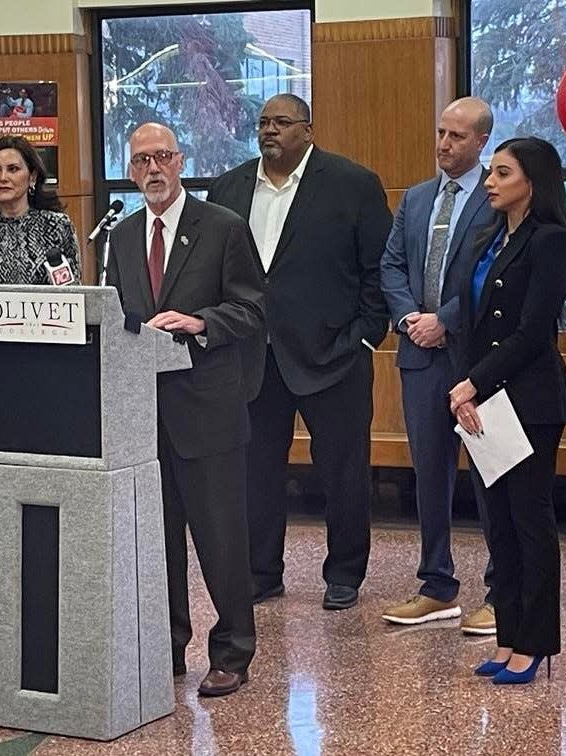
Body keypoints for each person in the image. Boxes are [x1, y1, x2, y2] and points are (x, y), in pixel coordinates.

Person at [207, 93, 391, 611]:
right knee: (255, 471)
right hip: (252, 355)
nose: (270, 131)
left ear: (307, 130)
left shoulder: (352, 184)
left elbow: (377, 268)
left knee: (343, 468)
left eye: (282, 122)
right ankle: (261, 572)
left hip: (333, 352)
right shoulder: (229, 186)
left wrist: (364, 335)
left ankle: (344, 573)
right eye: (264, 122)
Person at [106, 122, 264, 697]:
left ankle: (232, 652)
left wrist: (200, 323)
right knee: (157, 540)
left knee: (221, 538)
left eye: (163, 156)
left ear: (181, 162)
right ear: (130, 169)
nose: (153, 168)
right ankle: (167, 647)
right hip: (143, 416)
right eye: (142, 159)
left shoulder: (222, 228)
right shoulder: (120, 237)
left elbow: (252, 310)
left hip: (209, 410)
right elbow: (117, 313)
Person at [448, 136, 566, 685]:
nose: (490, 183)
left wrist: (472, 382)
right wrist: (470, 388)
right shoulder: (488, 238)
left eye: (502, 173)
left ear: (532, 180)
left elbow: (529, 334)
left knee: (529, 521)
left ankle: (535, 643)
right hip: (483, 401)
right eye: (491, 173)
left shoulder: (551, 243)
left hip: (529, 400)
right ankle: (507, 637)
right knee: (497, 524)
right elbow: (476, 320)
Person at [379, 97, 498, 633]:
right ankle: (437, 585)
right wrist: (409, 319)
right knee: (430, 472)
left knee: (491, 473)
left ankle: (503, 588)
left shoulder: (496, 201)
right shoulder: (418, 198)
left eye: (456, 136)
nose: (444, 144)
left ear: (480, 143)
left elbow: (495, 272)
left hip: (476, 358)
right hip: (419, 355)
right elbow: (392, 263)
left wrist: (445, 319)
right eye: (441, 133)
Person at [0, 135, 81, 422]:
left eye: (12, 169)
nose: (2, 177)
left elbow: (73, 295)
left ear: (32, 176)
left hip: (46, 368)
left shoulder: (57, 227)